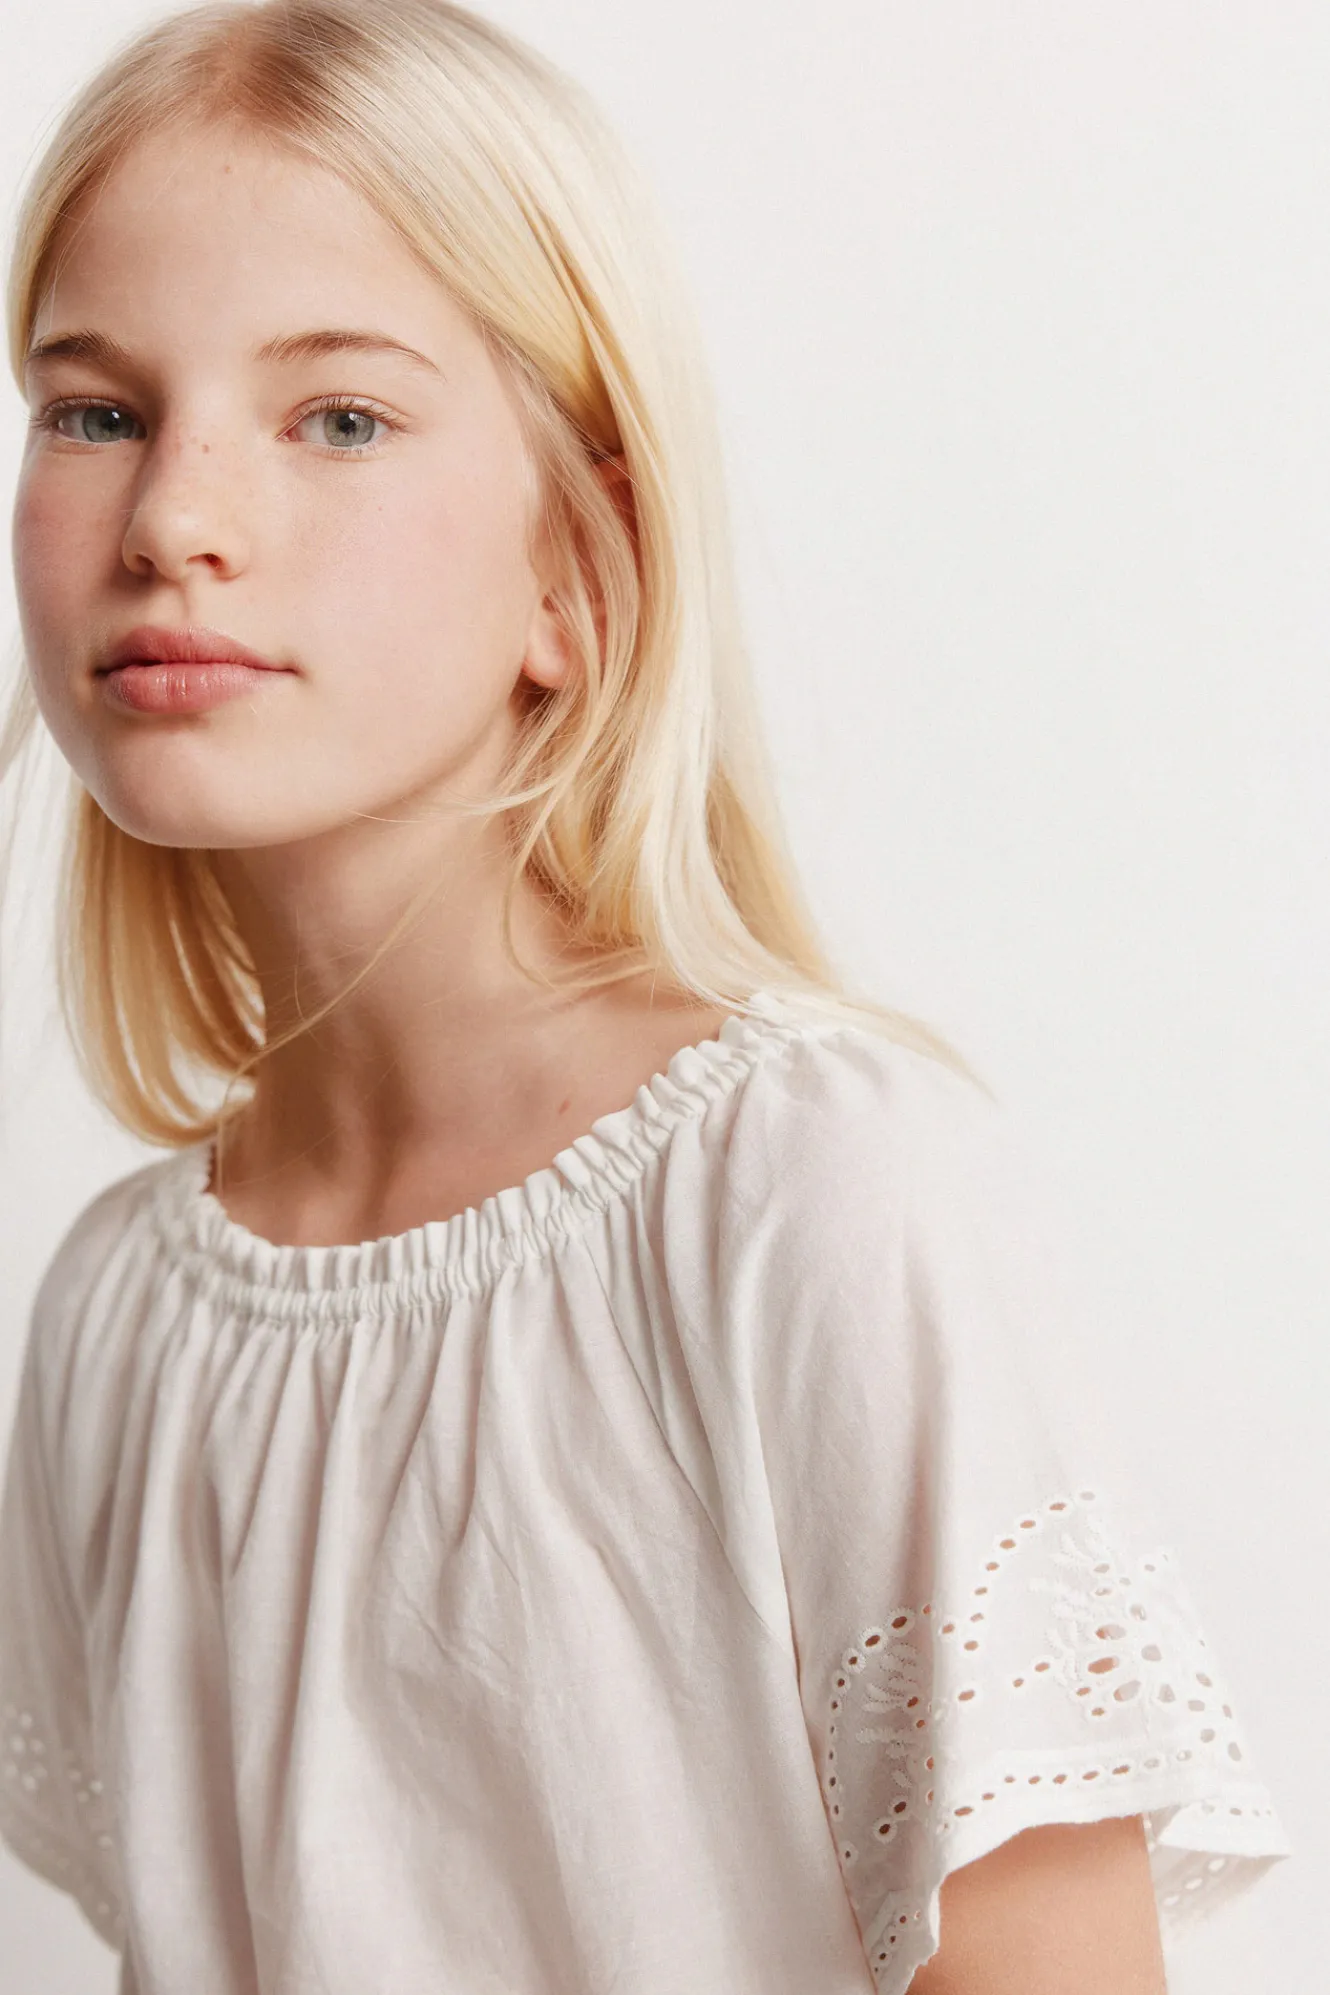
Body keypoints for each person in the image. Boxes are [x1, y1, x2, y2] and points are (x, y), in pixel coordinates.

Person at [0, 3, 1291, 1991]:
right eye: (95, 411)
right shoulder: (117, 1319)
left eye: (337, 417)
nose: (175, 517)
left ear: (577, 563)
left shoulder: (811, 1198)